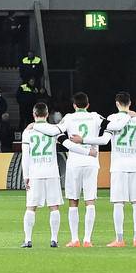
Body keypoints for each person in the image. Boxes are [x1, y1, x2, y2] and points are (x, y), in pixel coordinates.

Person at [83, 92, 136, 247]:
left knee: (119, 203)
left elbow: (104, 140)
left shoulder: (111, 119)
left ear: (117, 103)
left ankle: (119, 239)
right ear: (130, 103)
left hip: (119, 165)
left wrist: (83, 140)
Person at [57, 92, 103, 247]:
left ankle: (75, 239)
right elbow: (110, 125)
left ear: (74, 105)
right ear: (88, 105)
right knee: (90, 201)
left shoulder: (68, 117)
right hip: (91, 162)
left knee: (73, 200)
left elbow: (57, 131)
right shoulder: (96, 116)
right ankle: (87, 239)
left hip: (74, 163)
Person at [20, 102, 66, 248]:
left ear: (34, 114)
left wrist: (25, 176)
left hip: (34, 173)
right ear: (47, 115)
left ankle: (27, 240)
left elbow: (25, 156)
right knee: (54, 206)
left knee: (31, 207)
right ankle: (54, 239)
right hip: (52, 172)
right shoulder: (53, 129)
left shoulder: (28, 132)